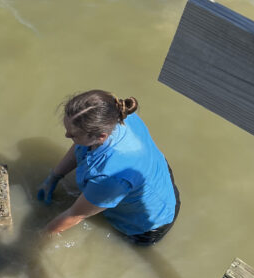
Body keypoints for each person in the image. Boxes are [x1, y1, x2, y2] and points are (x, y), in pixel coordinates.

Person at [37, 90, 180, 245]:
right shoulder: (116, 114)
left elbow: (75, 216)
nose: (66, 136)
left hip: (150, 223)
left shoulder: (110, 176)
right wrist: (54, 177)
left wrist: (39, 236)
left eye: (72, 135)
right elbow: (81, 146)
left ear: (101, 137)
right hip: (159, 176)